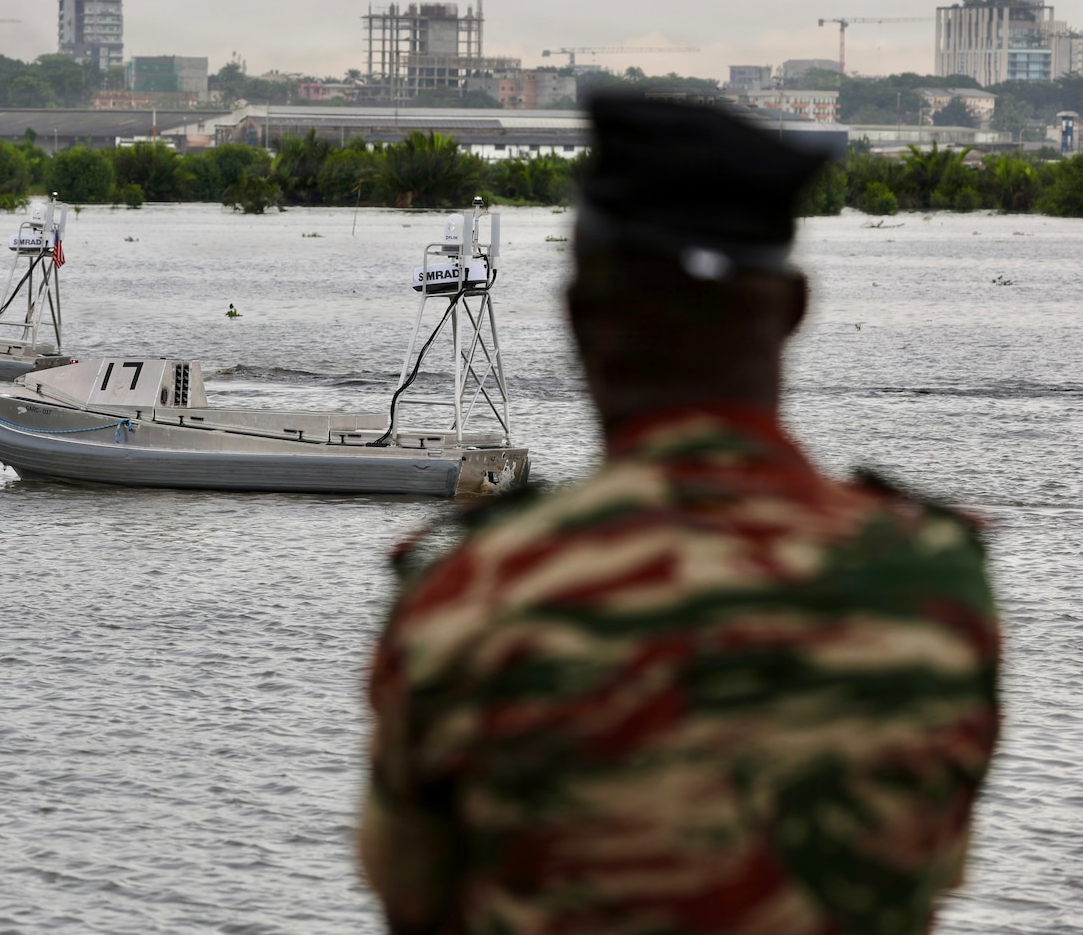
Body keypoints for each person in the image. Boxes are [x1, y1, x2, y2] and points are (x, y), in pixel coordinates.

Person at [359, 95, 1001, 935]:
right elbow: (928, 873)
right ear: (795, 308)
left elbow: (414, 897)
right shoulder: (933, 593)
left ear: (582, 317)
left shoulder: (471, 598)